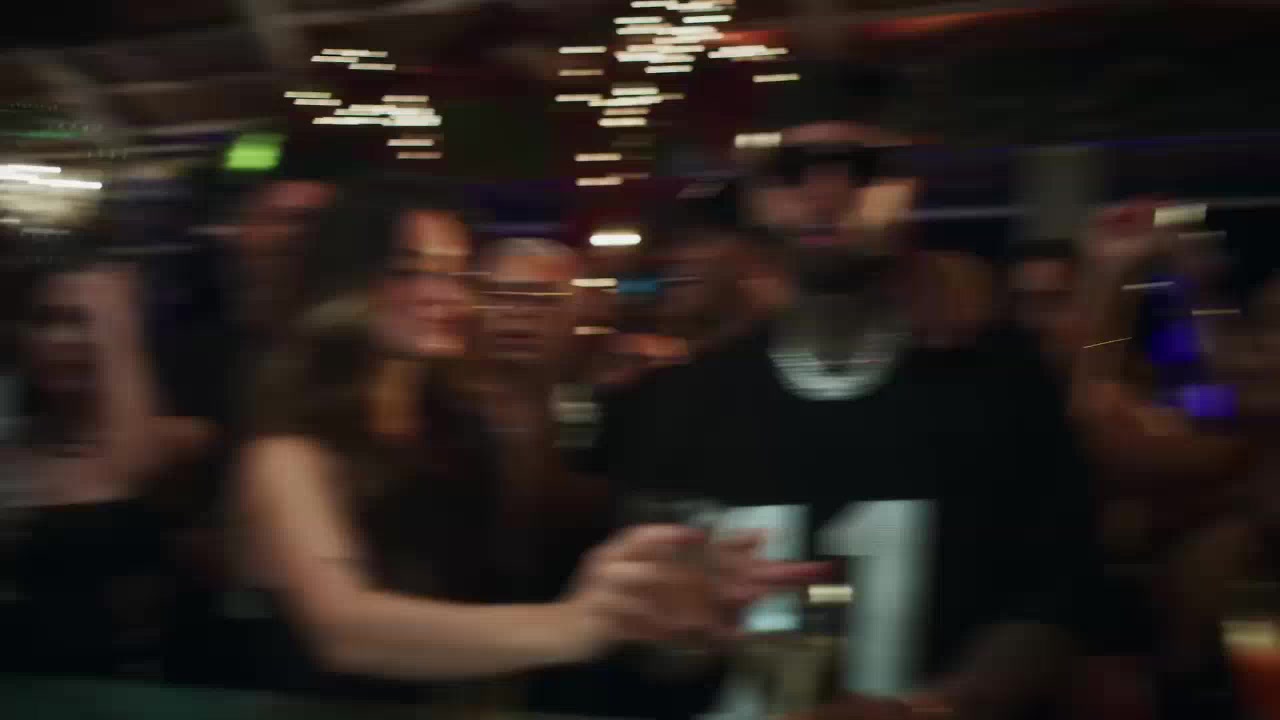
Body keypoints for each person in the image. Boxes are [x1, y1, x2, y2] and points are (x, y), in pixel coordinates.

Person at [610, 64, 1099, 720]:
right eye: (793, 169)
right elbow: (646, 647)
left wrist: (933, 710)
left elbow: (1054, 605)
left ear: (908, 189)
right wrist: (676, 631)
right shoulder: (680, 399)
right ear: (757, 198)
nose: (826, 192)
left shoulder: (1002, 385)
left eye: (861, 167)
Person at [236, 178, 809, 704]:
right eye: (409, 270)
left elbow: (529, 579)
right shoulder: (287, 452)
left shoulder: (469, 431)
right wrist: (577, 623)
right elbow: (343, 631)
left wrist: (676, 575)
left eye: (454, 272)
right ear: (347, 279)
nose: (443, 295)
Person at [0, 232, 209, 677]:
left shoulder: (175, 437)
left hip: (142, 686)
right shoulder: (15, 451)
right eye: (45, 321)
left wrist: (113, 312)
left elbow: (134, 469)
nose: (61, 339)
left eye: (82, 322)